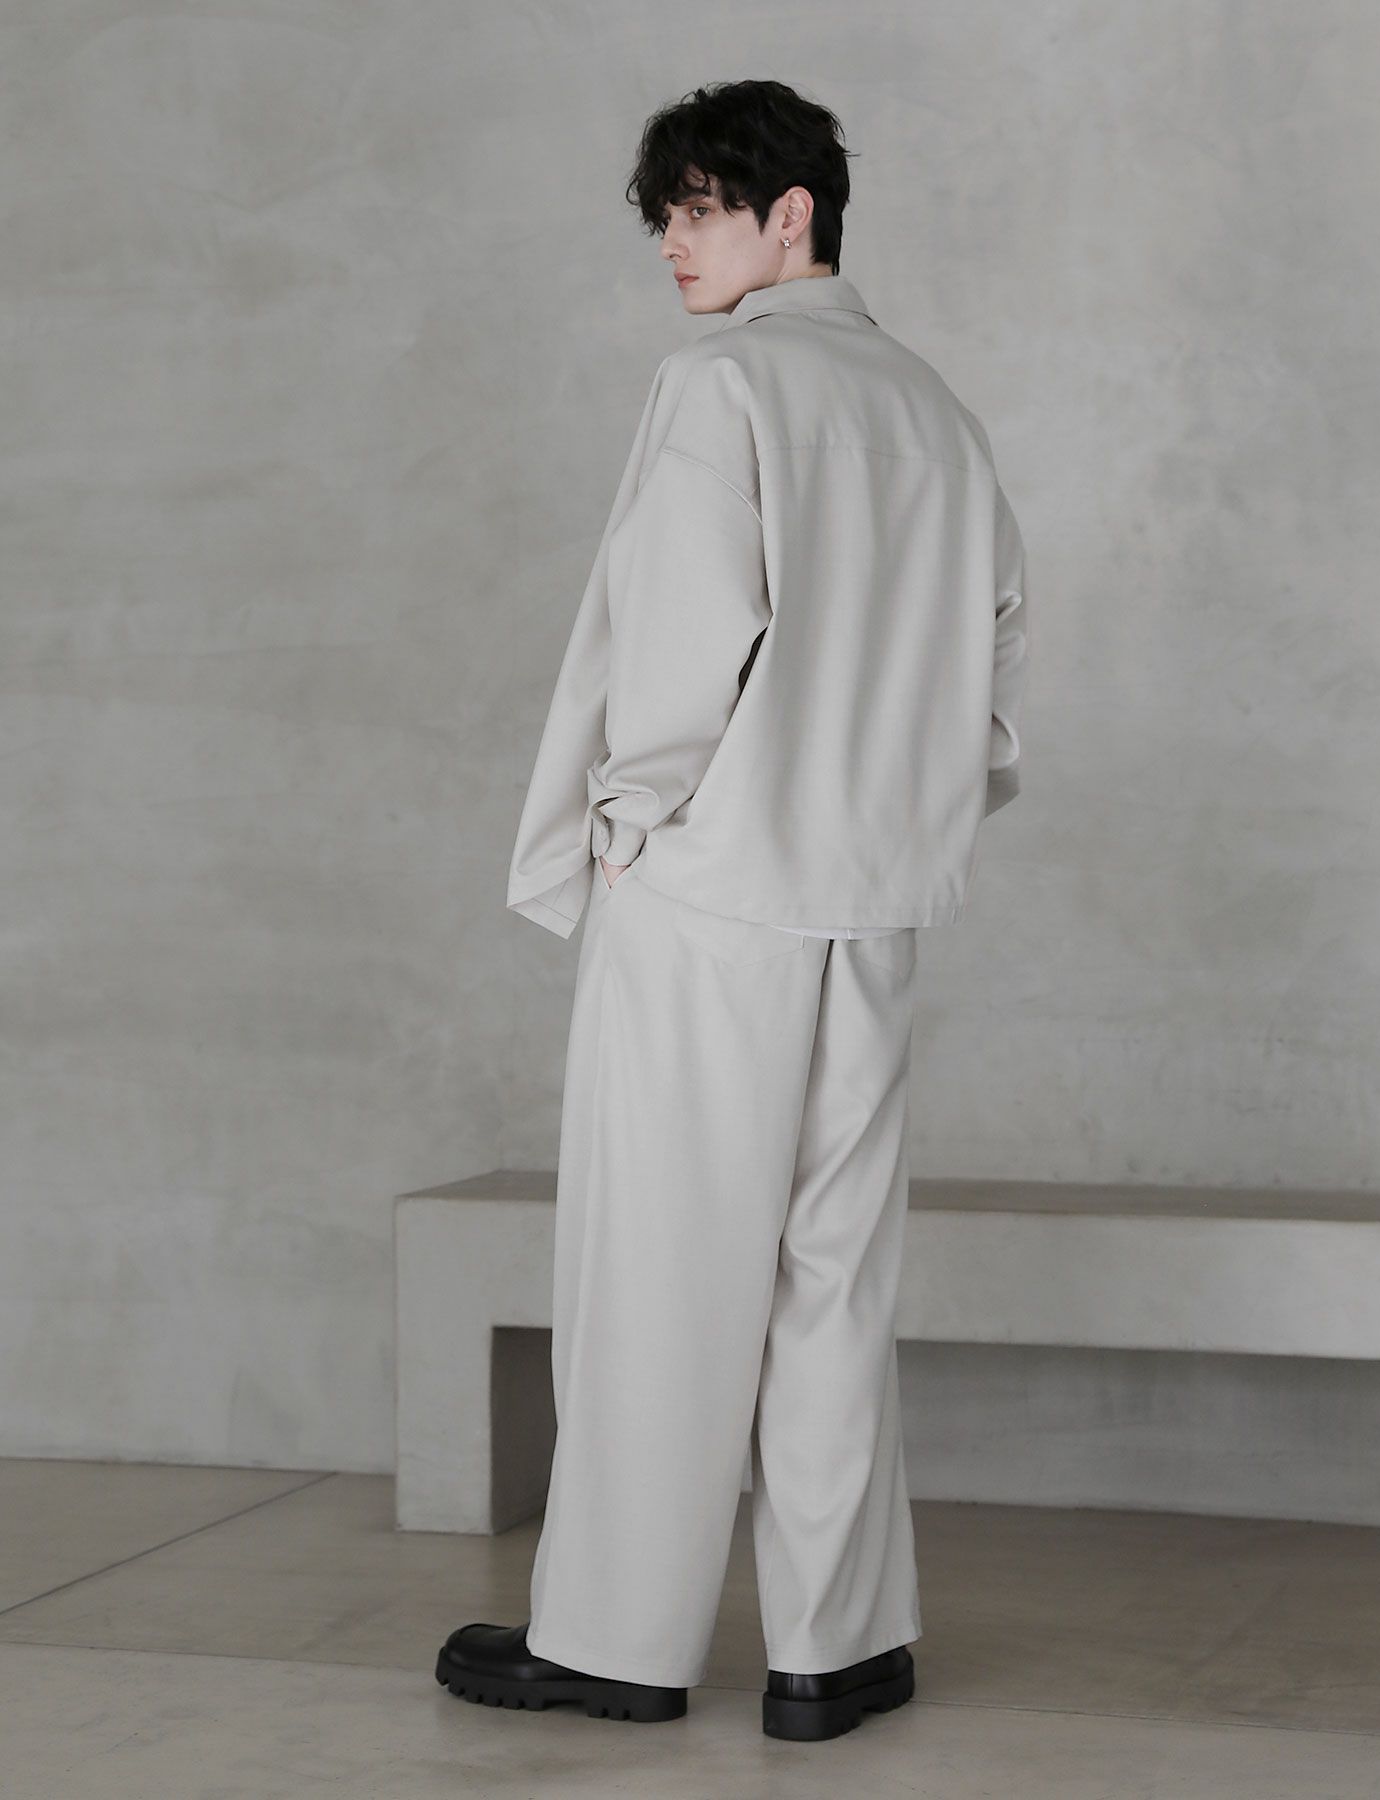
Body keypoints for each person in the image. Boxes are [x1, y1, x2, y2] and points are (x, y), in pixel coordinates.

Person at [435, 77, 1028, 1742]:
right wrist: (900, 818)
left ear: (794, 215)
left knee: (659, 1268)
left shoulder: (724, 388)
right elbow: (995, 677)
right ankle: (838, 1647)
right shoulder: (936, 413)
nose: (674, 246)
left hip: (714, 896)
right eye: (666, 217)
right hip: (872, 906)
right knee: (833, 1274)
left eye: (701, 210)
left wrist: (629, 824)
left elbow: (684, 641)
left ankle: (617, 1639)